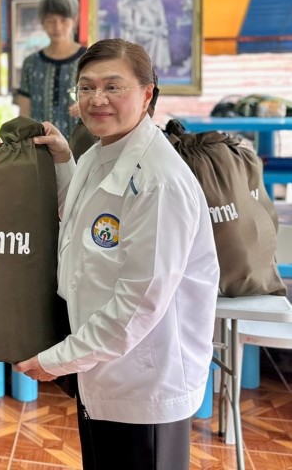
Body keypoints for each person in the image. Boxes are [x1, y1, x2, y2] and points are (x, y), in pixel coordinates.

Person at [14, 38, 219, 470]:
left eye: (113, 86)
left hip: (144, 382)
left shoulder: (159, 182)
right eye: (86, 87)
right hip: (102, 368)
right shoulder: (101, 152)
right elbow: (84, 215)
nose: (97, 99)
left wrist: (56, 360)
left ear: (147, 94)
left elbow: (140, 303)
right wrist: (63, 160)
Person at [16, 0, 86, 137]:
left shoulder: (90, 59)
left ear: (74, 20)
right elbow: (24, 115)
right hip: (40, 146)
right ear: (42, 22)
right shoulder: (31, 63)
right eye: (51, 21)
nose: (57, 27)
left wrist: (87, 106)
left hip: (82, 145)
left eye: (63, 20)